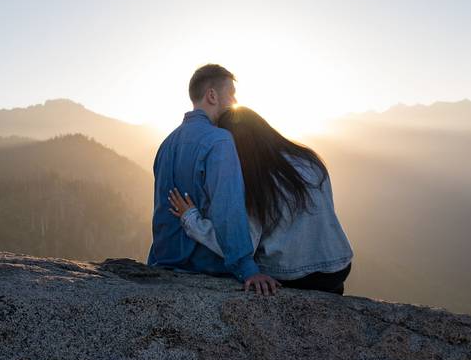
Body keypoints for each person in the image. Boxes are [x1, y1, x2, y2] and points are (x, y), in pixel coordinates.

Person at [167, 106, 352, 295]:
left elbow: (240, 243)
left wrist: (192, 220)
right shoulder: (309, 160)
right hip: (338, 266)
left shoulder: (255, 181)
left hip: (294, 275)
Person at [147, 65, 280, 296]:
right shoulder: (220, 141)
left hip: (165, 262)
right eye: (231, 94)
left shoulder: (166, 144)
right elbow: (227, 210)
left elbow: (162, 213)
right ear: (212, 95)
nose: (235, 100)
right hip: (204, 266)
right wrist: (248, 269)